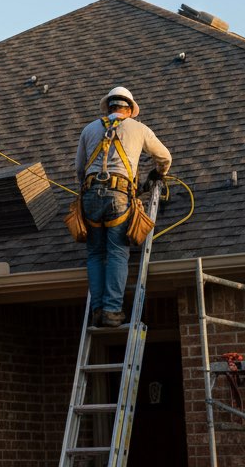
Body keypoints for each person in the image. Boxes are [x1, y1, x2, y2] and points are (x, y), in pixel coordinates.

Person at [75, 85, 171, 328]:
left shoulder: (89, 129)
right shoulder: (138, 128)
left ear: (109, 107)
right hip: (119, 196)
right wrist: (157, 175)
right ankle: (111, 311)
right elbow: (165, 158)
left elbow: (79, 169)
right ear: (129, 109)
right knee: (117, 251)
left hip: (89, 197)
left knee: (96, 253)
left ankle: (98, 310)